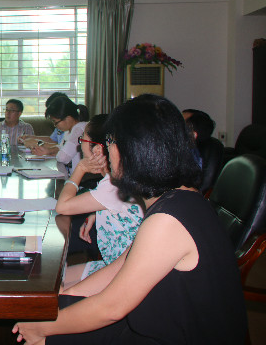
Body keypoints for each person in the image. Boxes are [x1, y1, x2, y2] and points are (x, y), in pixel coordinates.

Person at [13, 94, 247, 344]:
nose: (106, 149)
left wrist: (43, 328)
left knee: (44, 337)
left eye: (111, 140)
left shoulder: (167, 220)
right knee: (51, 315)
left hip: (175, 332)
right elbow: (120, 267)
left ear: (134, 149)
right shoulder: (180, 196)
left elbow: (111, 307)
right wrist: (65, 297)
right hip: (159, 314)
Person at [55, 114, 143, 288]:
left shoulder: (111, 185)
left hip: (125, 273)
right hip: (115, 263)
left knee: (57, 293)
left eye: (82, 140)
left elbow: (62, 206)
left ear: (96, 150)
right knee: (56, 282)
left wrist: (80, 168)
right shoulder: (118, 179)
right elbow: (117, 206)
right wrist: (97, 213)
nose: (80, 145)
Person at [32, 97, 89, 174]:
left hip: (81, 179)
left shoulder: (79, 130)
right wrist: (48, 151)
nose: (55, 126)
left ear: (68, 118)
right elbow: (61, 147)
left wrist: (54, 153)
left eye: (56, 122)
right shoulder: (68, 131)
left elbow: (63, 157)